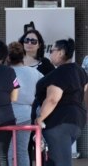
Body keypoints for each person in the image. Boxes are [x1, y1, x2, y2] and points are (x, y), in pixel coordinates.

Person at [35, 38, 88, 166]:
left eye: (51, 50)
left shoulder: (61, 72)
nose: (50, 54)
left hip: (59, 122)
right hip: (75, 122)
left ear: (60, 52)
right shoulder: (80, 72)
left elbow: (53, 99)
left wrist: (40, 118)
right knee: (53, 160)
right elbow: (86, 95)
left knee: (60, 162)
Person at [18, 29, 55, 166]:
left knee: (40, 145)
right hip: (19, 110)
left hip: (40, 109)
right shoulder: (14, 62)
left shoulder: (45, 64)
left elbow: (54, 86)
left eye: (33, 41)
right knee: (22, 147)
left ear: (39, 45)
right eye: (26, 40)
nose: (29, 43)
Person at [7, 41, 43, 166]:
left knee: (9, 151)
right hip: (26, 115)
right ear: (23, 55)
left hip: (7, 114)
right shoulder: (34, 72)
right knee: (22, 151)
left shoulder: (5, 72)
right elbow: (44, 88)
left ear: (8, 57)